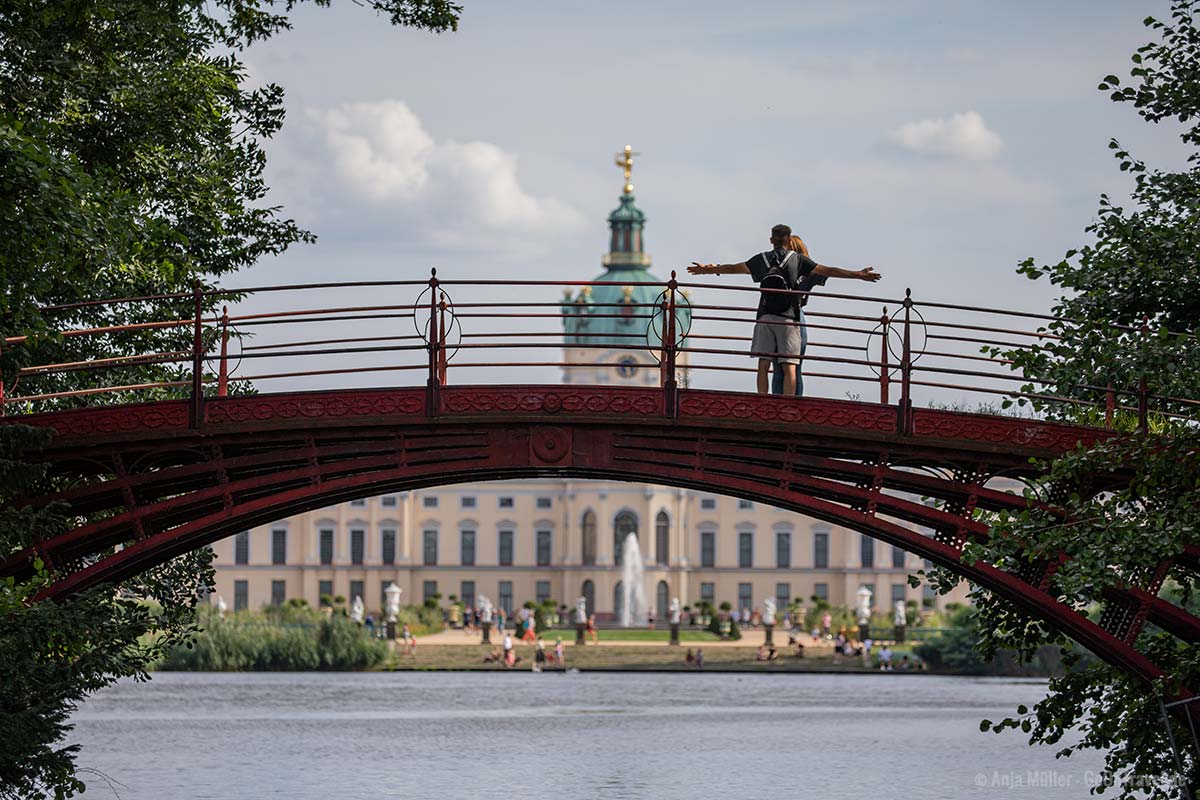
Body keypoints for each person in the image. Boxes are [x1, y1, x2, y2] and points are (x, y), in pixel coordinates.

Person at [689, 224, 881, 394]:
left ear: (771, 240)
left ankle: (763, 402)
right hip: (789, 318)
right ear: (788, 240)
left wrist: (707, 269)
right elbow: (828, 271)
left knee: (763, 364)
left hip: (765, 316)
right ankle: (789, 405)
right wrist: (858, 275)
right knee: (790, 366)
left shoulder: (762, 259)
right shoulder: (798, 260)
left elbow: (733, 268)